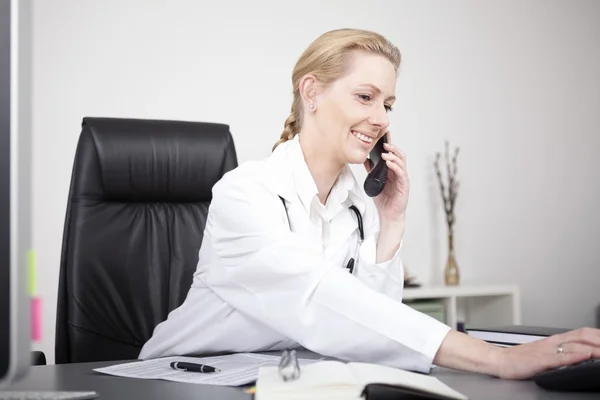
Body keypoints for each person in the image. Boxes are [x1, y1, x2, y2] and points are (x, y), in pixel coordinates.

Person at [139, 28, 600, 379]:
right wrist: (497, 359)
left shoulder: (359, 205)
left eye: (389, 104)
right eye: (365, 97)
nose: (380, 119)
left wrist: (391, 222)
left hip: (279, 377)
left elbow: (369, 333)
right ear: (312, 92)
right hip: (181, 378)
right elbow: (320, 298)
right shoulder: (245, 195)